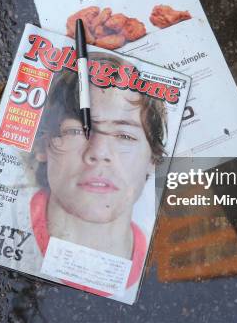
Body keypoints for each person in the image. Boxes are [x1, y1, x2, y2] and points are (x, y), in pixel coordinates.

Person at [28, 53, 167, 296]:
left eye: (125, 136)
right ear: (42, 145)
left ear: (153, 160)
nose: (99, 152)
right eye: (77, 130)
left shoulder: (159, 273)